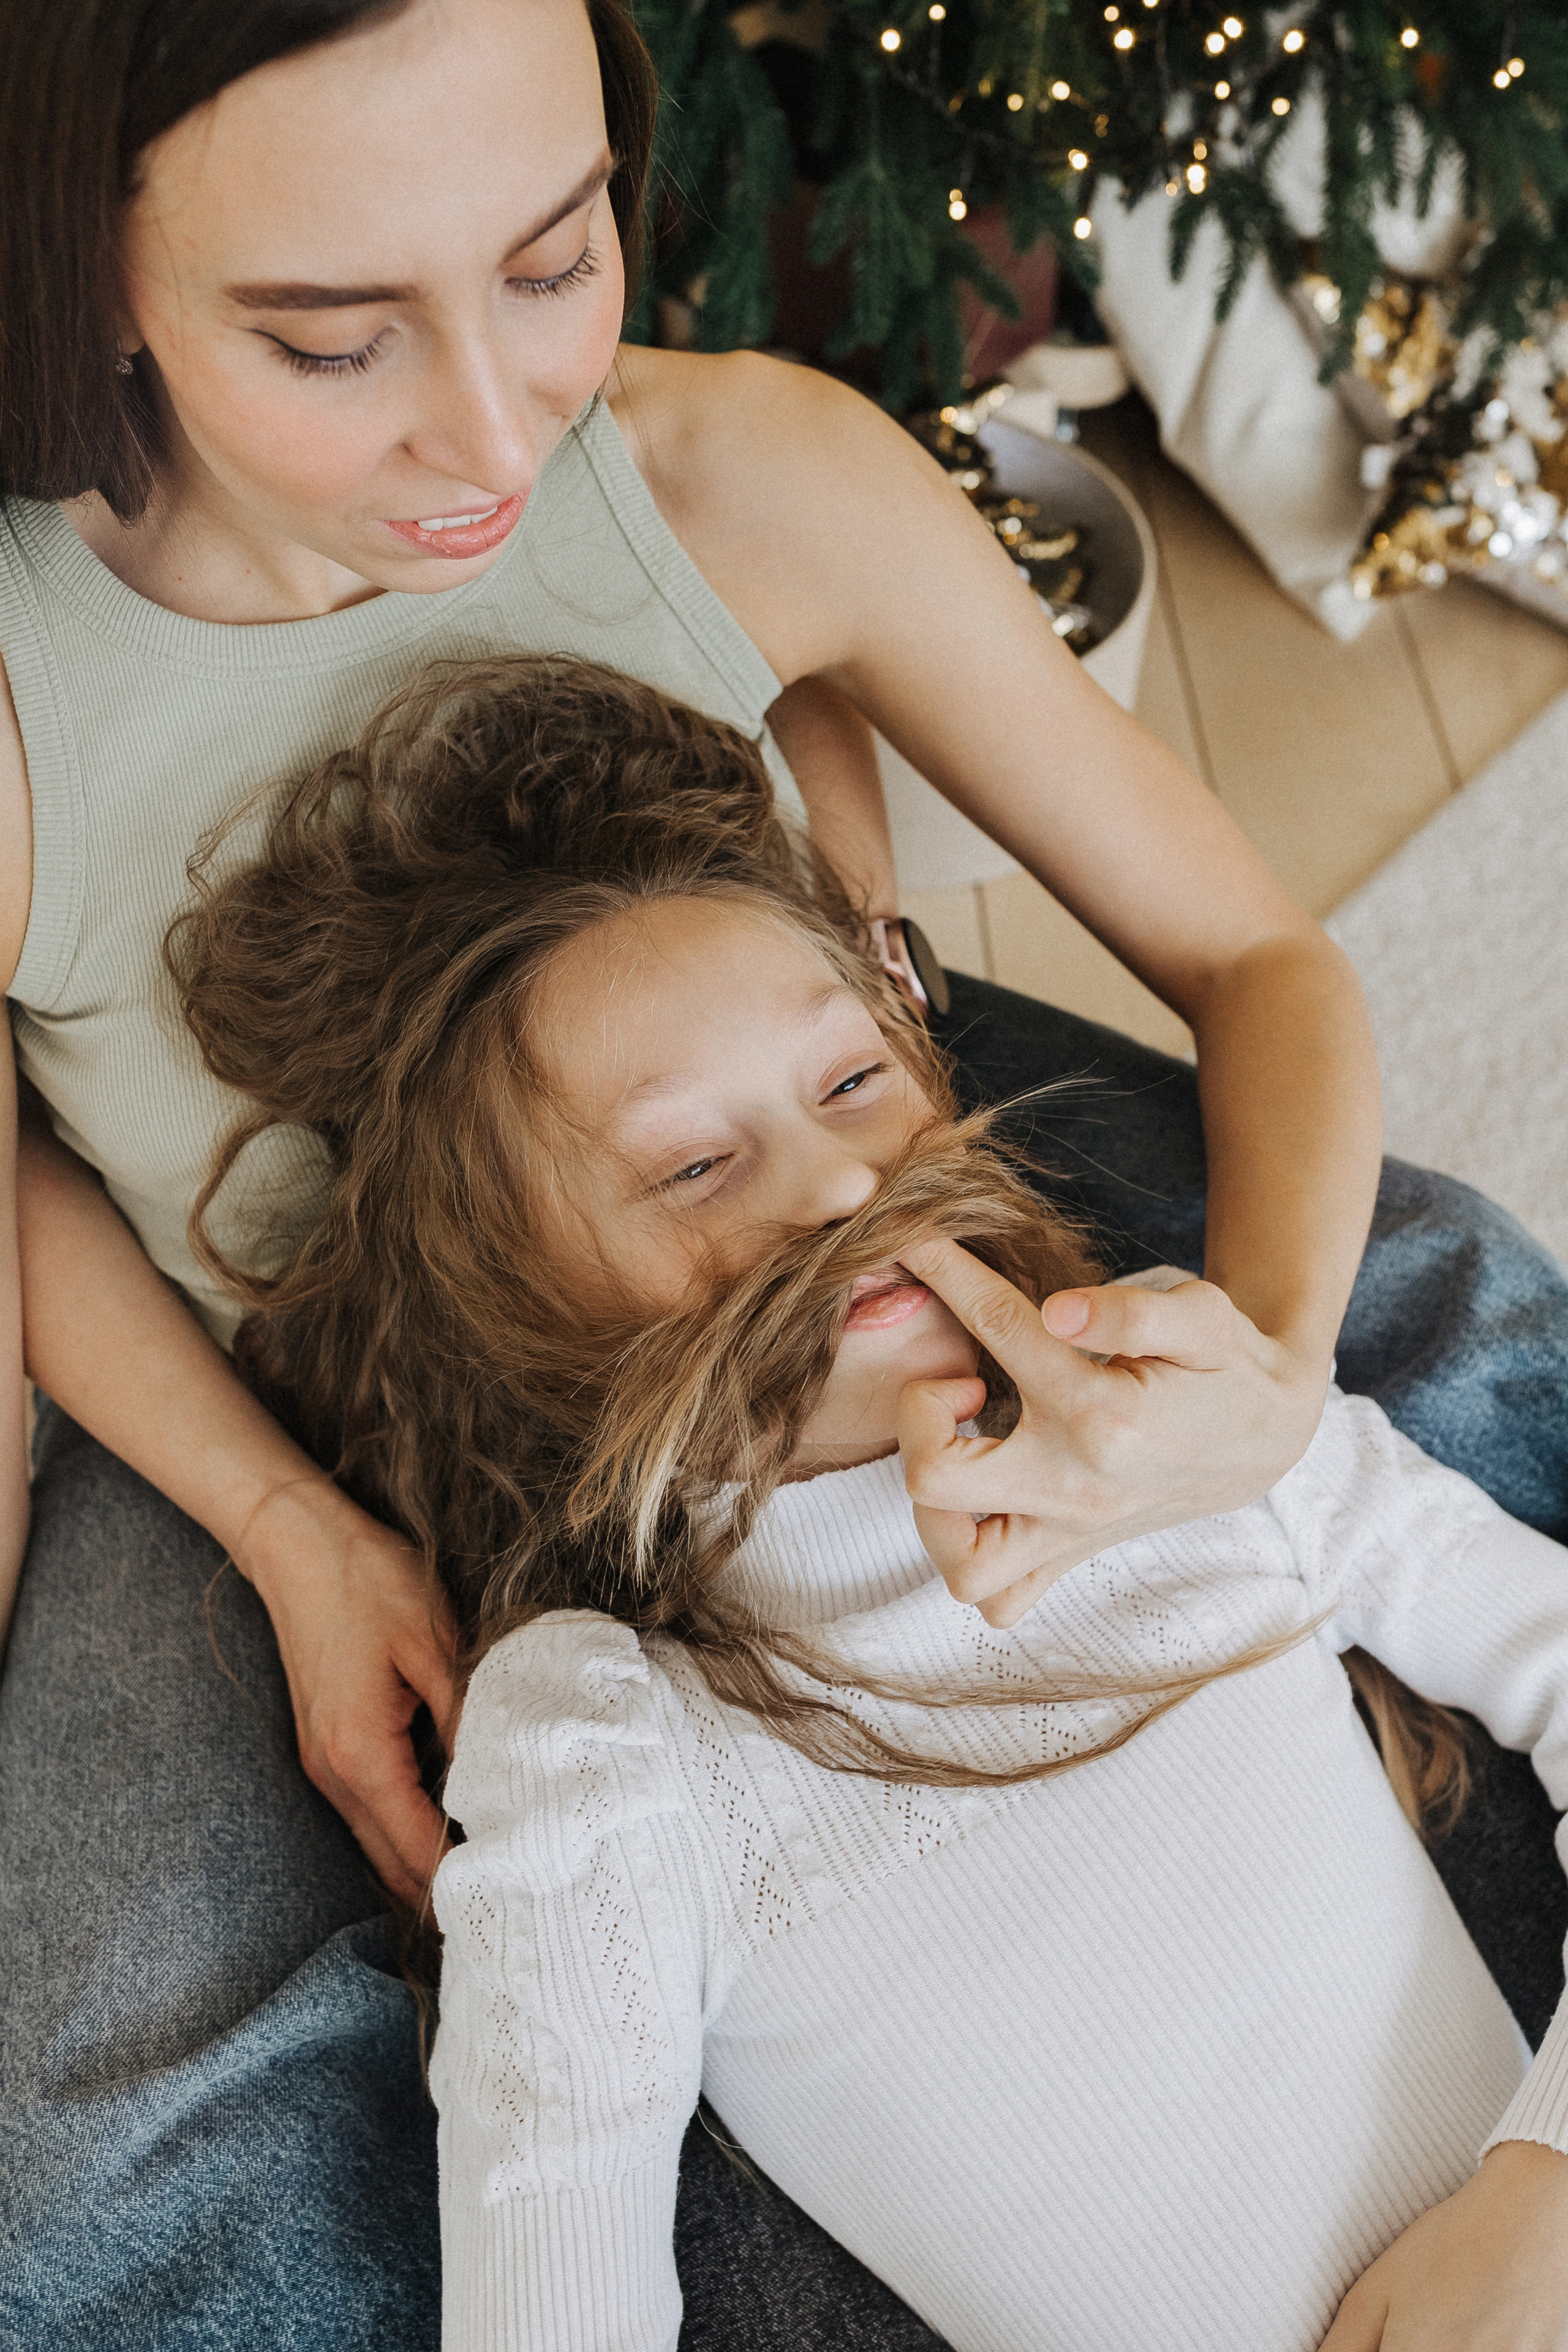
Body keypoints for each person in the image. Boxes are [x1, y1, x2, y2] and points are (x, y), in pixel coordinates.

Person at [0, 0, 1564, 2342]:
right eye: (334, 341)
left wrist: (1244, 1400)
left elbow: (1257, 955)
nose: (494, 428)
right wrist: (282, 1525)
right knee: (107, 2138)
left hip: (789, 1095)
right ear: (76, 259)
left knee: (1454, 1301)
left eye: (556, 258)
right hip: (263, 1342)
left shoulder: (735, 477)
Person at [160, 649, 1568, 2352]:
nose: (844, 1187)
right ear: (525, 1319)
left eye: (853, 1086)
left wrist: (1541, 2186)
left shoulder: (1192, 1433)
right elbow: (552, 2274)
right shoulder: (610, 1745)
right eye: (694, 1166)